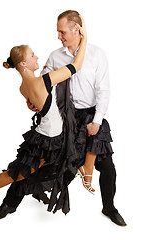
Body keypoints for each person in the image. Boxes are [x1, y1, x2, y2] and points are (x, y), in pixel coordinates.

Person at [0, 17, 87, 218]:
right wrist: (84, 39)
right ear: (24, 63)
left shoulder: (23, 86)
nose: (37, 57)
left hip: (49, 137)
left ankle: (38, 191)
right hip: (46, 139)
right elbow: (76, 66)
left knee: (37, 169)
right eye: (32, 55)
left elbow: (37, 104)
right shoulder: (44, 81)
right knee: (16, 173)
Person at [35, 10, 126, 226]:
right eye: (58, 32)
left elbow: (104, 90)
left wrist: (97, 120)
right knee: (56, 161)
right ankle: (35, 190)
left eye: (62, 31)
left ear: (77, 29)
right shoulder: (56, 56)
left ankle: (109, 207)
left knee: (107, 166)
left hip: (92, 115)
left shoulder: (97, 55)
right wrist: (33, 100)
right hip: (65, 117)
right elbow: (42, 85)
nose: (59, 36)